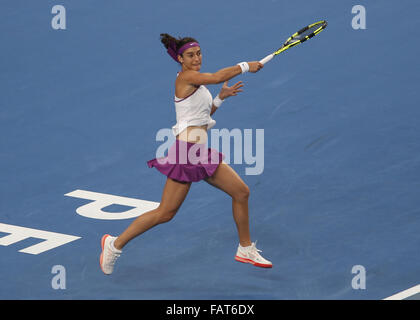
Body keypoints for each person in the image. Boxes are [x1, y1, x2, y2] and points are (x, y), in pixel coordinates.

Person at [100, 34, 272, 275]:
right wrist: (245, 66)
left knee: (241, 192)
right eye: (190, 55)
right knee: (165, 213)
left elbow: (202, 115)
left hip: (200, 152)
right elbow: (217, 77)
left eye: (199, 53)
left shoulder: (197, 84)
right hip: (186, 154)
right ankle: (114, 244)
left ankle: (245, 248)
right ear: (180, 59)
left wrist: (220, 98)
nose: (196, 58)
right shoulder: (187, 77)